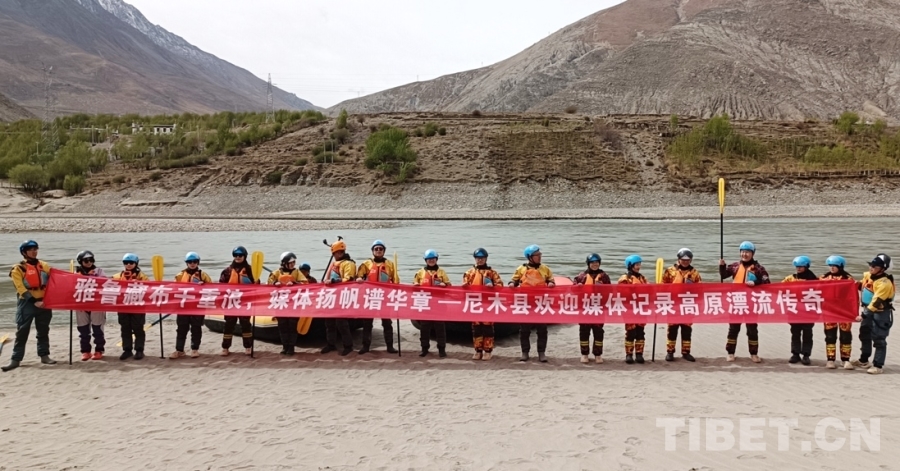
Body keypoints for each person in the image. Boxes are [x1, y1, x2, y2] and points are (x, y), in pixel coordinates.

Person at [2, 240, 55, 372]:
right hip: (27, 303)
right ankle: (15, 359)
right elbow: (20, 288)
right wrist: (34, 301)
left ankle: (44, 356)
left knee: (43, 331)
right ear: (24, 252)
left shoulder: (44, 265)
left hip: (44, 302)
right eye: (30, 249)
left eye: (35, 249)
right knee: (22, 332)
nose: (34, 251)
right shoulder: (18, 268)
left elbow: (55, 279)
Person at [719, 241, 769, 363]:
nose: (744, 254)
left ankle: (754, 353)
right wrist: (722, 266)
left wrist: (756, 282)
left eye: (747, 252)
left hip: (751, 303)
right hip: (736, 302)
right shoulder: (735, 266)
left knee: (752, 329)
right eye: (742, 252)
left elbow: (767, 283)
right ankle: (730, 353)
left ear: (752, 254)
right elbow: (724, 275)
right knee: (733, 329)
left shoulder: (758, 268)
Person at [509, 244, 555, 363]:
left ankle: (541, 352)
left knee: (542, 330)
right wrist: (512, 284)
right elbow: (514, 280)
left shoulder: (545, 268)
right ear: (530, 257)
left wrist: (551, 283)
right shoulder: (521, 269)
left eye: (540, 254)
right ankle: (525, 352)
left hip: (540, 303)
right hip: (526, 303)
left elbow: (551, 280)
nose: (539, 256)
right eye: (537, 255)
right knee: (524, 330)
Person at [853, 254, 895, 374]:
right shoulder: (868, 276)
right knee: (864, 334)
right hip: (868, 310)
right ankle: (864, 360)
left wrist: (864, 315)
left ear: (882, 269)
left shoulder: (884, 283)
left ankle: (878, 365)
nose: (871, 268)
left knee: (879, 338)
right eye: (871, 265)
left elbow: (876, 301)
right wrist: (855, 284)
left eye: (875, 266)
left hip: (880, 313)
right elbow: (864, 286)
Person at [356, 240, 399, 354]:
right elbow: (359, 276)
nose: (378, 251)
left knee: (387, 323)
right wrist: (359, 279)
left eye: (381, 249)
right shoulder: (366, 264)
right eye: (376, 249)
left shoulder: (390, 264)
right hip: (370, 297)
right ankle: (365, 346)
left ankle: (390, 346)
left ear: (384, 251)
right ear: (372, 251)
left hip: (384, 298)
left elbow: (395, 281)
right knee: (367, 323)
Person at [462, 248, 504, 361]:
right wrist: (465, 287)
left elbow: (500, 286)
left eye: (482, 258)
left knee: (488, 328)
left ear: (486, 259)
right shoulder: (469, 273)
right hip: (475, 304)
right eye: (478, 258)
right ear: (475, 259)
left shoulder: (492, 273)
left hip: (488, 304)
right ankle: (478, 350)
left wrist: (493, 286)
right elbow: (464, 288)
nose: (480, 260)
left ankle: (488, 351)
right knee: (476, 329)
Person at [661, 248, 702, 362]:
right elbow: (662, 286)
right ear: (678, 259)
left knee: (686, 330)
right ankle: (670, 352)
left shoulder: (694, 273)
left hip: (688, 305)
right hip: (673, 305)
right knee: (672, 330)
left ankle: (686, 352)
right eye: (683, 260)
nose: (685, 262)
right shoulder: (670, 271)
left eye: (688, 260)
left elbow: (700, 289)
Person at [169, 252, 212, 359]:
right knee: (181, 329)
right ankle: (179, 350)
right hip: (183, 307)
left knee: (196, 328)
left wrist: (204, 285)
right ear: (186, 263)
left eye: (194, 262)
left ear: (198, 262)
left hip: (197, 307)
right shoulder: (180, 275)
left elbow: (212, 289)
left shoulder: (203, 275)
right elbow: (173, 289)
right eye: (190, 262)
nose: (192, 264)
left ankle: (194, 349)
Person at [268, 251, 308, 356]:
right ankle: (285, 346)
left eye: (294, 262)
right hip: (280, 304)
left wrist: (295, 283)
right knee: (282, 326)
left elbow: (305, 283)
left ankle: (291, 347)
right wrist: (274, 283)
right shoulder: (277, 273)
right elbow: (269, 282)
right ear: (284, 263)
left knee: (292, 326)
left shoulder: (297, 272)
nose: (293, 264)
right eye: (291, 262)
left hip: (293, 304)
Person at [573, 253, 610, 364]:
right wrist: (577, 287)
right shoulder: (581, 276)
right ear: (588, 264)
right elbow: (573, 290)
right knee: (584, 332)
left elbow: (610, 291)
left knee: (598, 332)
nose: (595, 264)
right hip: (585, 308)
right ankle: (584, 354)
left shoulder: (604, 276)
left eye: (597, 262)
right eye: (592, 262)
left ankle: (598, 354)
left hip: (598, 308)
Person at [413, 249, 451, 358]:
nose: (431, 261)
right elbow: (414, 285)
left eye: (433, 259)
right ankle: (424, 348)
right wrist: (415, 286)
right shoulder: (420, 273)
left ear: (436, 259)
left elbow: (449, 286)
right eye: (429, 259)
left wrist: (445, 285)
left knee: (440, 328)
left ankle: (442, 349)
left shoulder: (441, 272)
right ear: (425, 260)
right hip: (425, 304)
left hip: (439, 305)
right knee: (424, 328)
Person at [820, 255, 856, 369]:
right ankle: (830, 360)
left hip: (845, 311)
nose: (832, 267)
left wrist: (854, 312)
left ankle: (846, 360)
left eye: (834, 266)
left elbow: (854, 296)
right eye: (830, 265)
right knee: (830, 336)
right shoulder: (823, 278)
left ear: (840, 266)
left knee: (846, 336)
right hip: (829, 311)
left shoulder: (848, 279)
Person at [219, 246, 256, 356]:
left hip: (245, 302)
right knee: (229, 325)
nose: (238, 257)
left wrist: (257, 282)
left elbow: (256, 284)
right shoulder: (227, 271)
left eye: (240, 255)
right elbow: (221, 286)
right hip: (231, 302)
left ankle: (248, 347)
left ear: (245, 256)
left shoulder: (251, 270)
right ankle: (225, 348)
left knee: (245, 324)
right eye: (235, 255)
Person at [321, 241, 355, 356]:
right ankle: (331, 344)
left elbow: (349, 279)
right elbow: (326, 279)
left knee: (342, 323)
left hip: (342, 297)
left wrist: (334, 281)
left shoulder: (348, 263)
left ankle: (348, 346)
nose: (337, 254)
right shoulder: (334, 264)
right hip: (332, 297)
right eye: (336, 253)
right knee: (329, 323)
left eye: (338, 252)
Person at [114, 253, 150, 361]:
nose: (128, 265)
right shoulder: (117, 276)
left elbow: (149, 289)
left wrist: (139, 284)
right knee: (125, 328)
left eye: (131, 263)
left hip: (138, 306)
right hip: (123, 306)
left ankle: (139, 350)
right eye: (126, 263)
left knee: (138, 328)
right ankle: (127, 350)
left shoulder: (142, 276)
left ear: (136, 263)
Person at [783, 256, 817, 365]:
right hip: (794, 310)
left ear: (806, 267)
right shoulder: (790, 278)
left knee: (807, 333)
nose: (798, 268)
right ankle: (795, 354)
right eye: (797, 266)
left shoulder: (813, 280)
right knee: (795, 333)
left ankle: (806, 355)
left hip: (808, 311)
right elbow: (778, 287)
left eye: (801, 266)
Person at [74, 250, 107, 361]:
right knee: (83, 330)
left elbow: (105, 284)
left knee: (98, 329)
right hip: (81, 305)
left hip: (96, 305)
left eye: (91, 260)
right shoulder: (75, 273)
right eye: (86, 260)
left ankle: (99, 350)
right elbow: (71, 287)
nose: (89, 262)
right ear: (80, 261)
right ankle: (85, 351)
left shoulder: (99, 271)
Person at [619, 255, 648, 364]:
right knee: (630, 332)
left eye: (639, 264)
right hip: (629, 310)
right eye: (637, 265)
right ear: (630, 266)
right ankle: (629, 354)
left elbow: (649, 291)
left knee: (640, 332)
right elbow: (621, 293)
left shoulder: (642, 278)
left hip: (641, 309)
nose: (639, 266)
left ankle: (639, 354)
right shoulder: (624, 278)